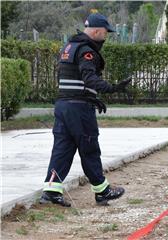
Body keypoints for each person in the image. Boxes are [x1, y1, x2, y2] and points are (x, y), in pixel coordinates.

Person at [39, 13, 131, 207]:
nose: (106, 36)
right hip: (79, 110)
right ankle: (102, 191)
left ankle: (51, 191)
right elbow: (89, 78)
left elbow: (72, 80)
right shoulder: (86, 50)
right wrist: (112, 88)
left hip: (64, 106)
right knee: (89, 148)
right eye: (106, 32)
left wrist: (91, 98)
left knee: (62, 149)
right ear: (97, 31)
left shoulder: (69, 47)